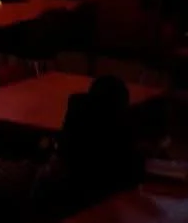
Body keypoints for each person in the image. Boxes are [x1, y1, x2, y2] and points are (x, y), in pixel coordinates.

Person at [50, 74, 144, 210]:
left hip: (65, 192)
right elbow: (132, 176)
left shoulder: (78, 117)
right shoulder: (120, 131)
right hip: (96, 199)